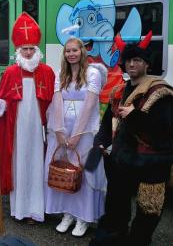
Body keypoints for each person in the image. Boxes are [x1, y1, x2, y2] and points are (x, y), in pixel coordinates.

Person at [90, 33, 173, 246]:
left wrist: (135, 116)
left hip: (153, 166)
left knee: (148, 213)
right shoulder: (119, 91)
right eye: (128, 60)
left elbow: (163, 130)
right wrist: (99, 142)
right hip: (122, 162)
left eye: (137, 60)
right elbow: (107, 122)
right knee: (116, 208)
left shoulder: (161, 93)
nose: (132, 64)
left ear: (147, 64)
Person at [0, 12, 55, 223]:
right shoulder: (10, 73)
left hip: (38, 129)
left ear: (37, 50)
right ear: (18, 51)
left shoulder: (47, 72)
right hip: (17, 129)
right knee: (19, 165)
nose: (28, 53)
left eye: (31, 49)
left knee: (37, 165)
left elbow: (52, 103)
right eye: (24, 49)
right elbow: (3, 103)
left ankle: (36, 210)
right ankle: (19, 210)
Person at [44, 37, 107, 237]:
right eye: (68, 51)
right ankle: (68, 213)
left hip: (85, 131)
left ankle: (84, 217)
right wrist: (60, 131)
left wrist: (77, 135)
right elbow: (57, 101)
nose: (71, 54)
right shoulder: (60, 74)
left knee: (82, 171)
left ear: (82, 52)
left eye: (75, 50)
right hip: (62, 129)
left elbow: (89, 106)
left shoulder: (92, 73)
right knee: (64, 170)